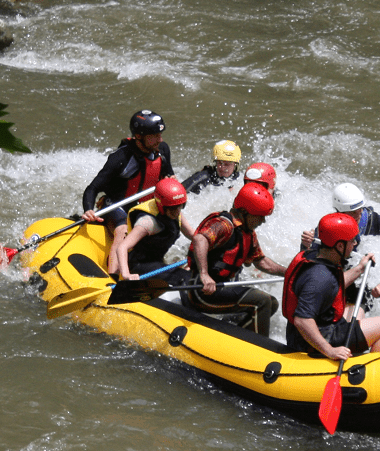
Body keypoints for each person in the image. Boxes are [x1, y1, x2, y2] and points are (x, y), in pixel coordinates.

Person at [283, 213, 380, 360]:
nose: (355, 244)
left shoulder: (315, 256)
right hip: (314, 339)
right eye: (352, 241)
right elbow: (302, 320)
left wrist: (359, 268)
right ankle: (371, 375)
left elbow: (332, 285)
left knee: (357, 311)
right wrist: (330, 351)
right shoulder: (319, 278)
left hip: (317, 327)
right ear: (340, 245)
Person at [185, 182, 287, 336]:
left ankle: (238, 336)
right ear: (245, 212)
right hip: (203, 291)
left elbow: (261, 261)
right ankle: (260, 348)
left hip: (221, 289)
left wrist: (290, 272)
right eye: (259, 217)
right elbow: (200, 239)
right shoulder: (224, 225)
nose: (263, 221)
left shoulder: (248, 232)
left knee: (272, 303)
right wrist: (205, 275)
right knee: (263, 302)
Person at [81, 110, 174, 272]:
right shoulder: (121, 158)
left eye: (160, 134)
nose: (161, 139)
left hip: (144, 206)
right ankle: (114, 278)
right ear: (139, 136)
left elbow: (168, 176)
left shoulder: (162, 150)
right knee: (123, 231)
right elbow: (93, 188)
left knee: (172, 224)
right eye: (155, 135)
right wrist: (88, 209)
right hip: (117, 205)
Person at [114, 177, 194, 280]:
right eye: (173, 208)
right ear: (162, 206)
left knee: (192, 272)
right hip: (138, 266)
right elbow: (122, 247)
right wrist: (126, 274)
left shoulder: (175, 210)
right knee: (184, 278)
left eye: (180, 206)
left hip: (156, 262)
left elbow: (193, 235)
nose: (177, 211)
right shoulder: (148, 222)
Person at [300, 183, 380, 251]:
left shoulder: (377, 221)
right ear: (340, 212)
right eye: (353, 212)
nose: (358, 214)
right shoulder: (328, 227)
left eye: (360, 209)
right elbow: (312, 258)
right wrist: (306, 246)